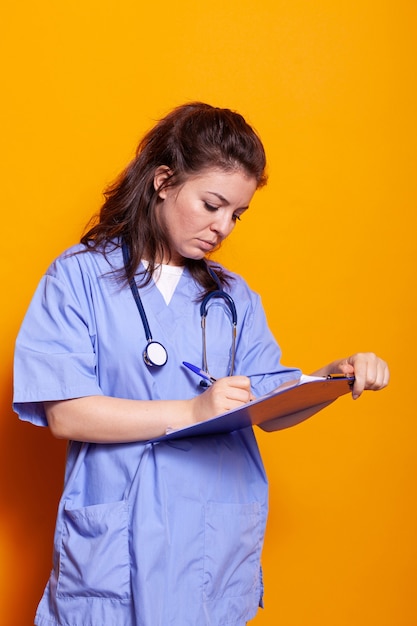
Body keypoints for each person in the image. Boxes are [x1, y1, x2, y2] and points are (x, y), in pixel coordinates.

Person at [13, 102, 389, 626]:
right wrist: (193, 410)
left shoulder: (233, 297)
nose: (223, 227)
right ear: (164, 181)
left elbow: (269, 403)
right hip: (117, 542)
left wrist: (332, 378)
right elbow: (67, 414)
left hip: (210, 544)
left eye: (236, 214)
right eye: (212, 204)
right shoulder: (77, 278)